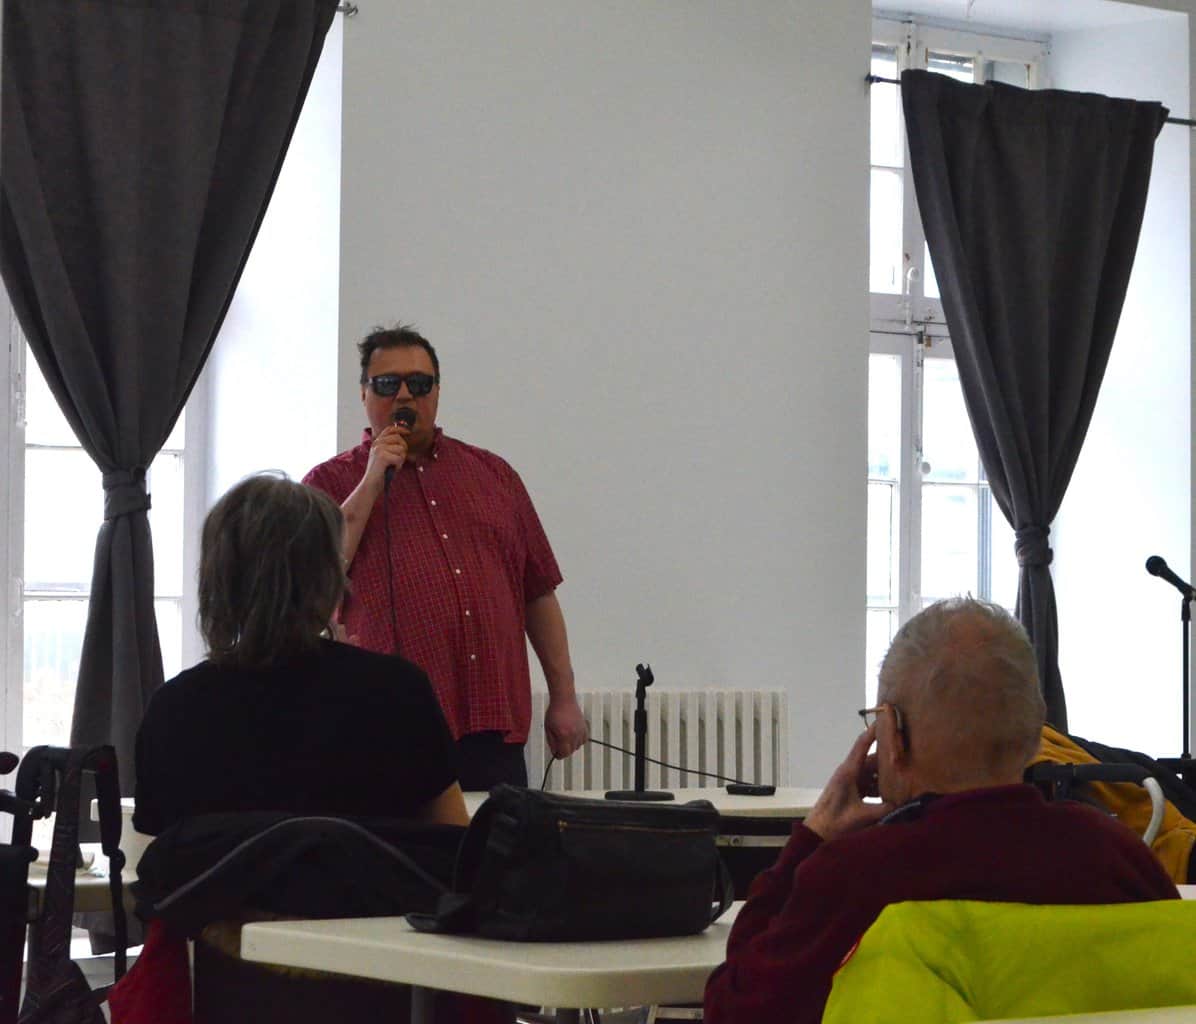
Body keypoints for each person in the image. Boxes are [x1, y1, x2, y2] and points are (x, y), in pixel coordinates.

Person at [703, 597, 1179, 1024]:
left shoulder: (854, 877)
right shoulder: (1119, 857)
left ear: (893, 735)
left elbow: (733, 1007)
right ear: (1035, 733)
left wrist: (812, 835)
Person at [303, 323, 587, 789]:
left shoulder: (494, 475)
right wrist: (373, 478)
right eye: (387, 384)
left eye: (419, 384)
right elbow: (314, 583)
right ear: (363, 393)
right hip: (386, 727)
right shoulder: (328, 483)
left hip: (492, 723)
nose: (404, 396)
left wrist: (564, 697)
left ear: (437, 391)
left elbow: (537, 592)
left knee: (494, 837)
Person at [134, 472, 469, 834]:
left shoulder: (174, 709)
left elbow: (163, 853)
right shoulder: (399, 692)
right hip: (359, 875)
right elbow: (454, 843)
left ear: (217, 578)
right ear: (328, 578)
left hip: (225, 877)